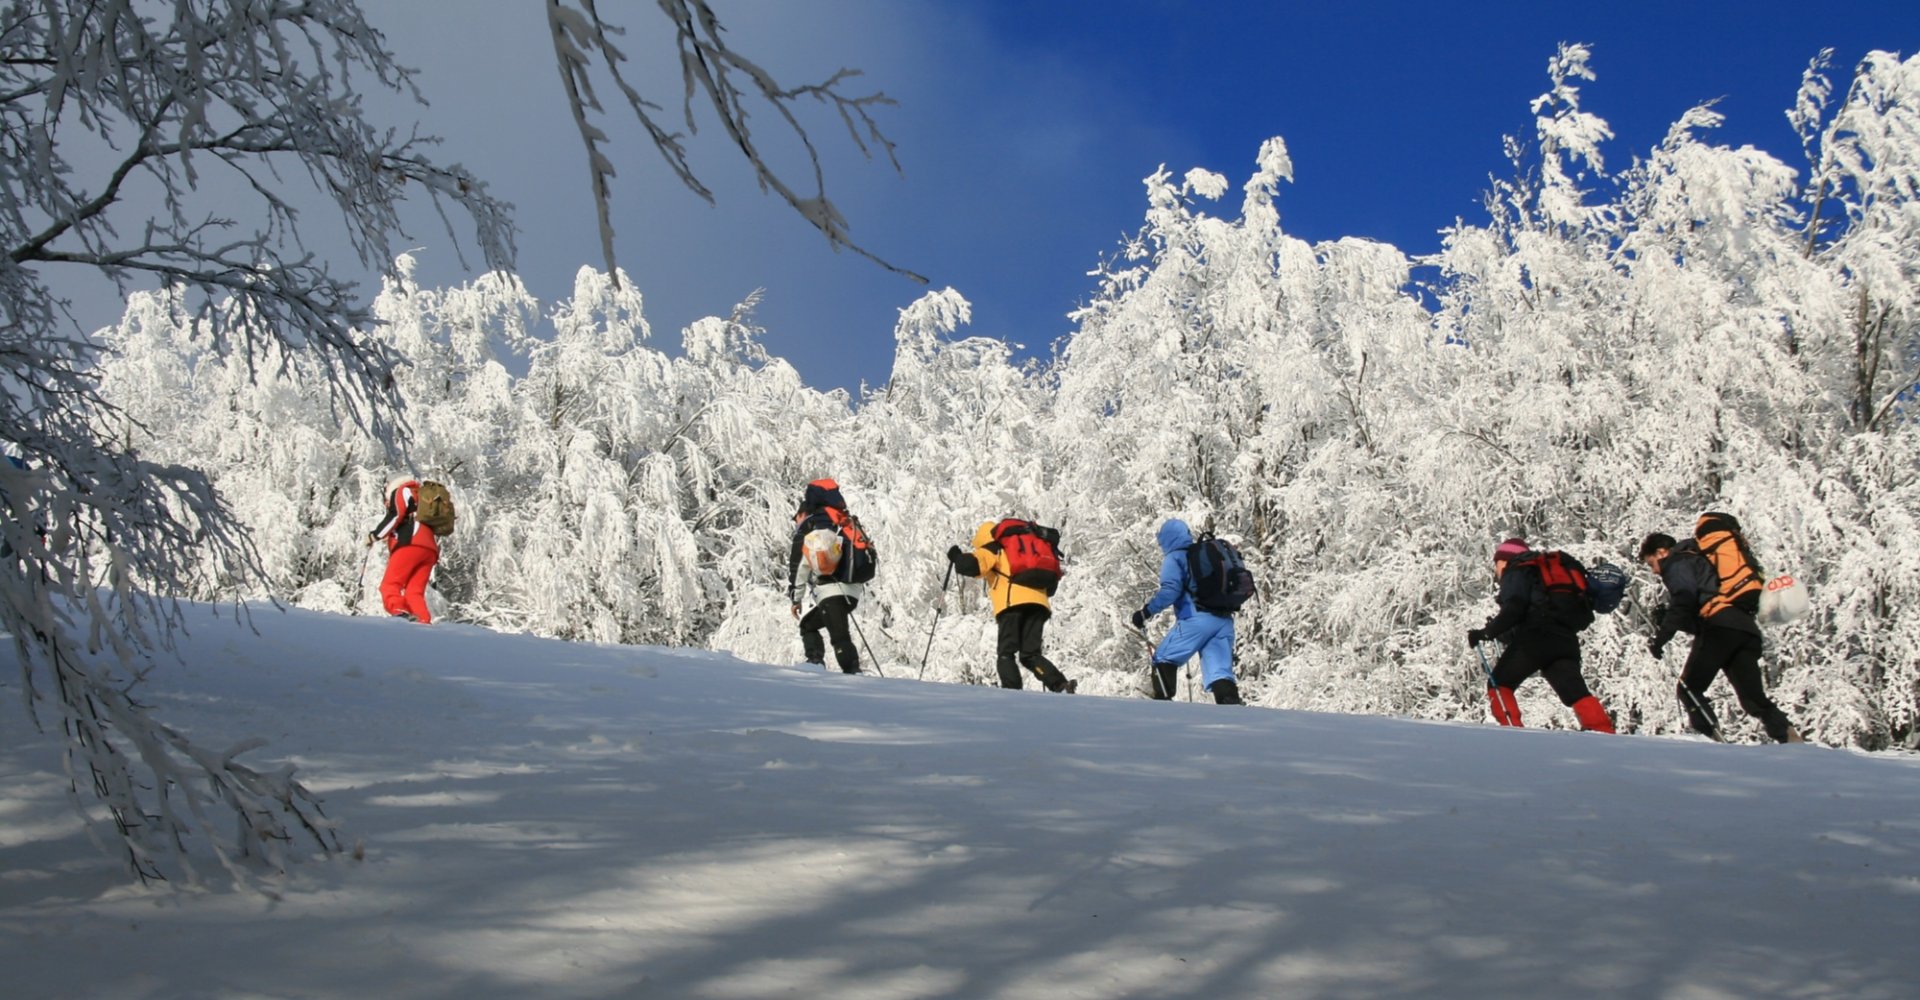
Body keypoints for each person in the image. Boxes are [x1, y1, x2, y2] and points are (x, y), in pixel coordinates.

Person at [1639, 528, 1802, 743]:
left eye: (1651, 564)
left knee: (1689, 688)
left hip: (1719, 629)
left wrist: (1661, 637)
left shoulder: (1677, 563)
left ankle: (1713, 742)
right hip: (1744, 629)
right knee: (1753, 698)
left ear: (1661, 552)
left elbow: (1684, 600)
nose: (1654, 571)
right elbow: (1701, 610)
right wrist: (1672, 619)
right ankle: (1790, 738)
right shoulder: (1703, 562)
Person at [1466, 538, 1615, 732]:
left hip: (1535, 639)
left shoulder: (1516, 570)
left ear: (1504, 560)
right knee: (1576, 693)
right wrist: (1501, 633)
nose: (1496, 570)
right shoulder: (1544, 575)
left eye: (1497, 563)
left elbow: (1515, 607)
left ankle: (1512, 734)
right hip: (1565, 641)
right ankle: (1604, 732)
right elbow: (1529, 613)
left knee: (1499, 683)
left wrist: (1486, 633)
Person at [946, 520, 1075, 692]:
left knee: (1006, 653)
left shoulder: (993, 548)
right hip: (1039, 606)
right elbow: (1050, 589)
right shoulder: (1024, 549)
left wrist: (956, 557)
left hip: (1012, 606)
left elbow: (972, 566)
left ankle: (1011, 692)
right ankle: (1060, 684)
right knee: (1030, 655)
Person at [1130, 518, 1243, 705]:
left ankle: (1162, 701)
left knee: (1164, 656)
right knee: (1219, 671)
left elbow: (1170, 591)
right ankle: (1230, 706)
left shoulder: (1175, 558)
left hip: (1196, 619)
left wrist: (1146, 612)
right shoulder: (1200, 554)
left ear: (1167, 539)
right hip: (1224, 619)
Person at [786, 479, 863, 674]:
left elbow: (800, 566)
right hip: (852, 590)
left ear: (803, 513)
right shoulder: (843, 521)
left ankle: (852, 675)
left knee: (839, 636)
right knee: (808, 624)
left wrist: (795, 598)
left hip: (831, 591)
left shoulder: (811, 527)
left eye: (796, 518)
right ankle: (815, 663)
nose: (796, 522)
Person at [367, 476, 438, 624]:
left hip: (409, 544)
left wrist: (375, 535)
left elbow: (396, 515)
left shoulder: (402, 491)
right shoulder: (422, 498)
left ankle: (399, 613)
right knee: (414, 592)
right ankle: (423, 623)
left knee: (389, 585)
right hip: (429, 549)